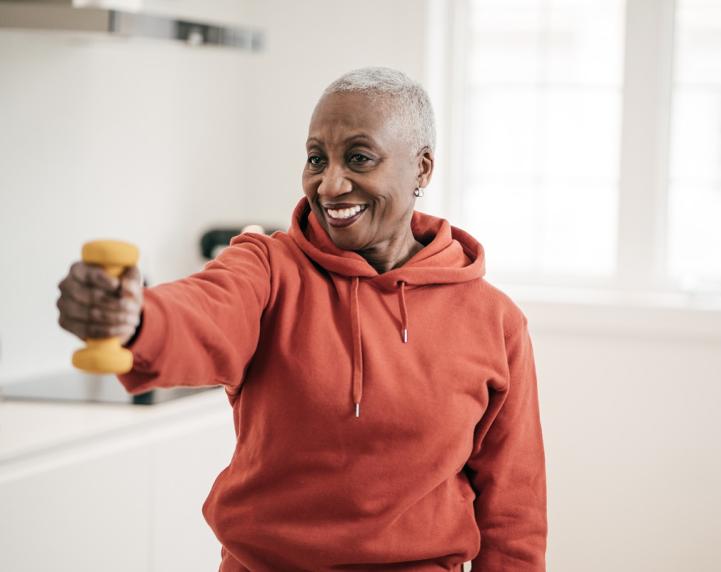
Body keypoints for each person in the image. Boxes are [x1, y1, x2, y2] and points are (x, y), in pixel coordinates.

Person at [56, 66, 547, 571]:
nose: (330, 184)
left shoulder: (495, 321)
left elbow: (513, 510)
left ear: (421, 169)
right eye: (317, 159)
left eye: (359, 158)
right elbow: (205, 310)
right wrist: (134, 316)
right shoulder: (268, 268)